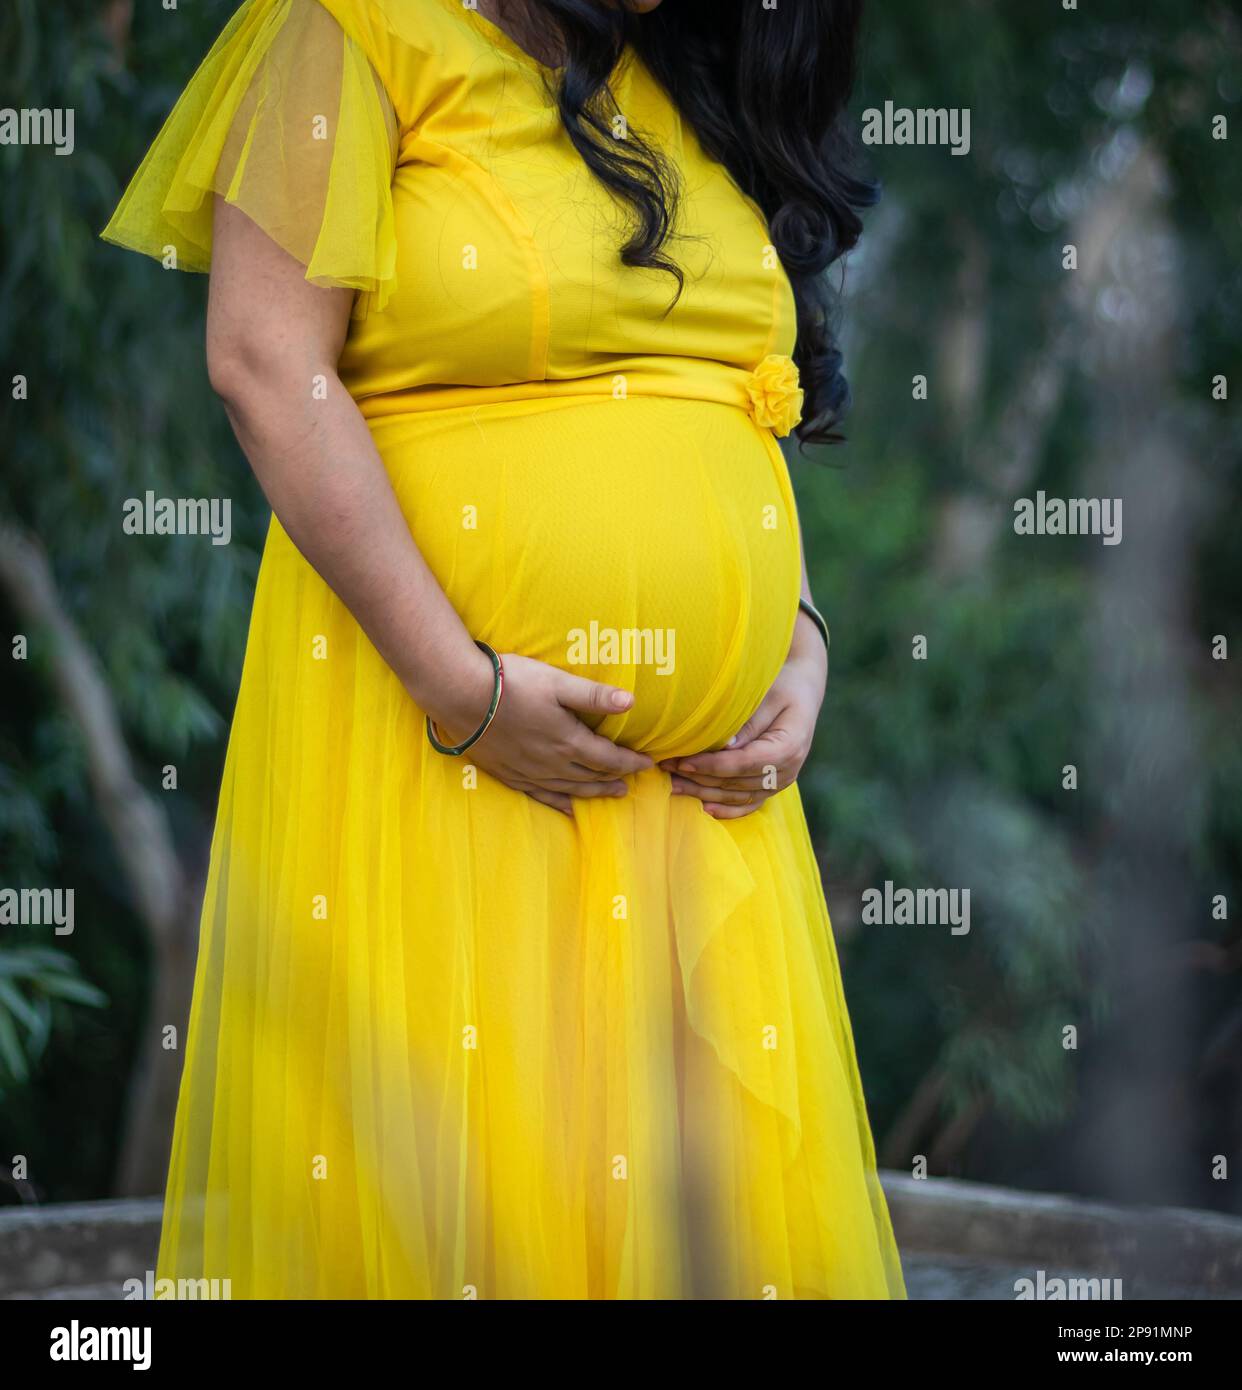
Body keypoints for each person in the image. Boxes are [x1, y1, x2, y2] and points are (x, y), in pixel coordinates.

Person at [103, 0, 905, 1298]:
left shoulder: (685, 77)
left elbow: (728, 393)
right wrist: (459, 689)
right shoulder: (350, 29)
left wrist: (796, 634)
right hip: (443, 756)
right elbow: (262, 357)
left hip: (692, 804)